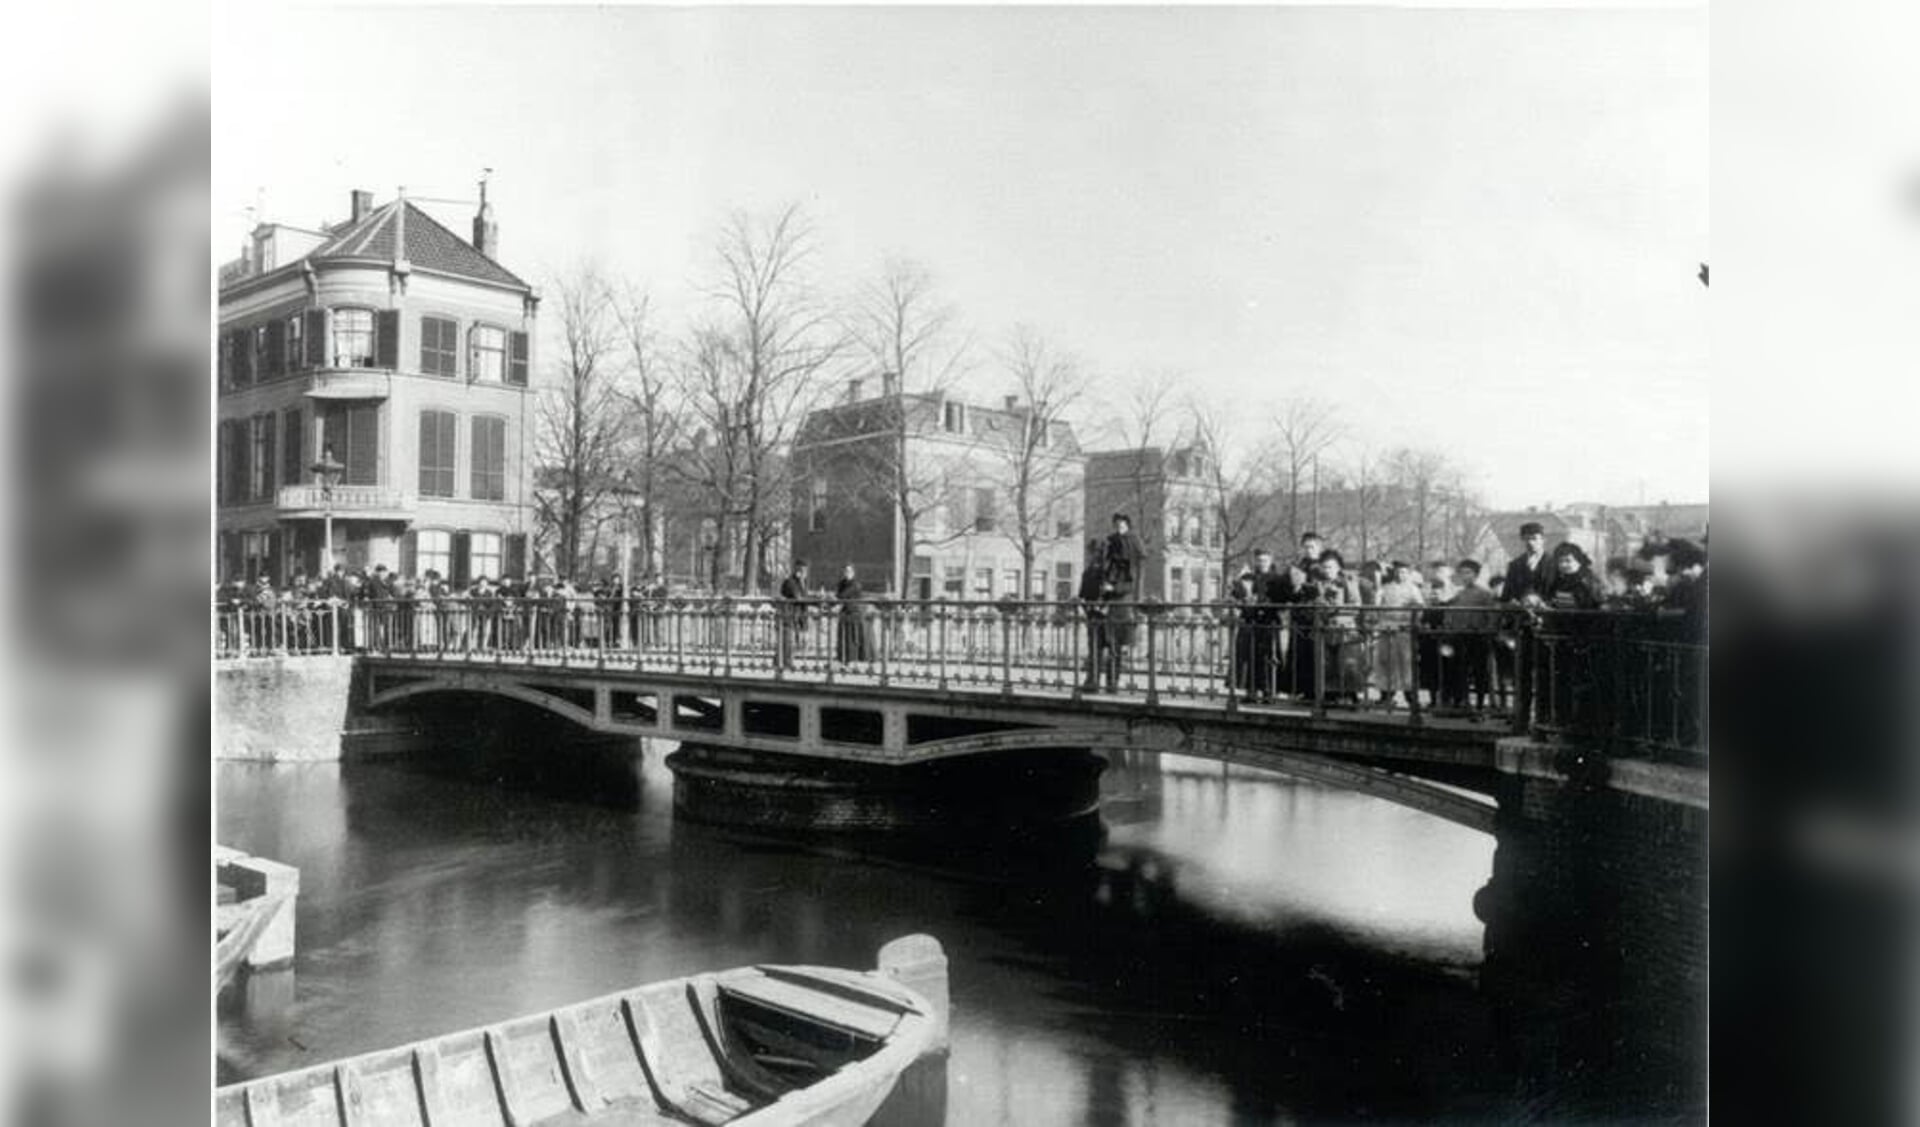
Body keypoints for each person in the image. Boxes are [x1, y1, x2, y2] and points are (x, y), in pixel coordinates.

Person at [1440, 558, 1500, 711]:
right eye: (1462, 573)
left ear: (1476, 575)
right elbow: (1449, 613)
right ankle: (1463, 702)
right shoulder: (1458, 595)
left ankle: (1480, 703)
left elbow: (1492, 616)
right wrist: (1450, 629)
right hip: (1460, 637)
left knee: (1480, 671)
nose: (1465, 576)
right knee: (1460, 670)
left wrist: (1487, 631)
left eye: (1469, 573)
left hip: (1478, 637)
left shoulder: (1485, 594)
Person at [1231, 548, 1285, 701]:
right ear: (1255, 561)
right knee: (1249, 655)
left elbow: (1281, 600)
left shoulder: (1277, 579)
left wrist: (1265, 602)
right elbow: (1237, 597)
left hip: (1269, 621)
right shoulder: (1248, 577)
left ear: (1271, 561)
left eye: (1265, 560)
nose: (1262, 564)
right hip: (1250, 620)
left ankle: (1269, 691)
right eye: (1259, 560)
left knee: (1269, 656)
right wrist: (1241, 593)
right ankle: (1251, 690)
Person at [1099, 513, 1145, 690]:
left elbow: (1131, 584)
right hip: (1111, 607)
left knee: (1116, 647)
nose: (1119, 529)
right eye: (1116, 526)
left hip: (1121, 607)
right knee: (1110, 646)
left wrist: (1113, 589)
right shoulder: (1112, 565)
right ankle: (1109, 681)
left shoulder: (1129, 565)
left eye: (1122, 526)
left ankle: (1113, 681)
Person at [1372, 560, 1426, 708]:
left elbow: (1420, 608)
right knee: (1386, 662)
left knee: (1407, 663)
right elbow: (1376, 606)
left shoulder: (1413, 589)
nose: (1400, 575)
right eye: (1397, 571)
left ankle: (1411, 696)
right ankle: (1386, 695)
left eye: (1403, 572)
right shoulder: (1385, 588)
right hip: (1387, 629)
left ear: (1408, 574)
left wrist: (1412, 620)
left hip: (1404, 630)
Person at [1077, 538, 1110, 692]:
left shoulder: (1108, 572)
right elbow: (1083, 594)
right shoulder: (1088, 572)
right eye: (1093, 552)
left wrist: (1103, 606)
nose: (1095, 555)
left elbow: (1112, 594)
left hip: (1106, 615)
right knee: (1094, 648)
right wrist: (1087, 608)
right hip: (1092, 615)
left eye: (1099, 552)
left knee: (1109, 648)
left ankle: (1110, 683)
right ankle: (1092, 680)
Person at [1502, 521, 1553, 605]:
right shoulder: (1515, 565)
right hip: (1521, 614)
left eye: (1534, 538)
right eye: (1526, 539)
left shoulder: (1554, 563)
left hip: (1548, 613)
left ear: (1543, 540)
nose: (1530, 542)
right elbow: (1506, 595)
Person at [777, 560, 813, 670]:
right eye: (803, 571)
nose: (805, 573)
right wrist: (816, 601)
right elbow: (798, 597)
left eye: (806, 571)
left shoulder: (802, 582)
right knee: (788, 639)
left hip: (798, 615)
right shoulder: (790, 582)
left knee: (792, 639)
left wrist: (817, 600)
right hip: (789, 614)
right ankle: (785, 662)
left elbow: (804, 597)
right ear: (798, 571)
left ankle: (781, 660)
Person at [833, 564, 871, 664]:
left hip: (854, 613)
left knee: (852, 638)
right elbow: (837, 594)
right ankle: (842, 658)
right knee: (842, 637)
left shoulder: (855, 584)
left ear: (853, 573)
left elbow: (842, 595)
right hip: (844, 612)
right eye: (845, 571)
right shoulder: (842, 583)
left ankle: (852, 659)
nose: (846, 573)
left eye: (849, 571)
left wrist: (835, 598)